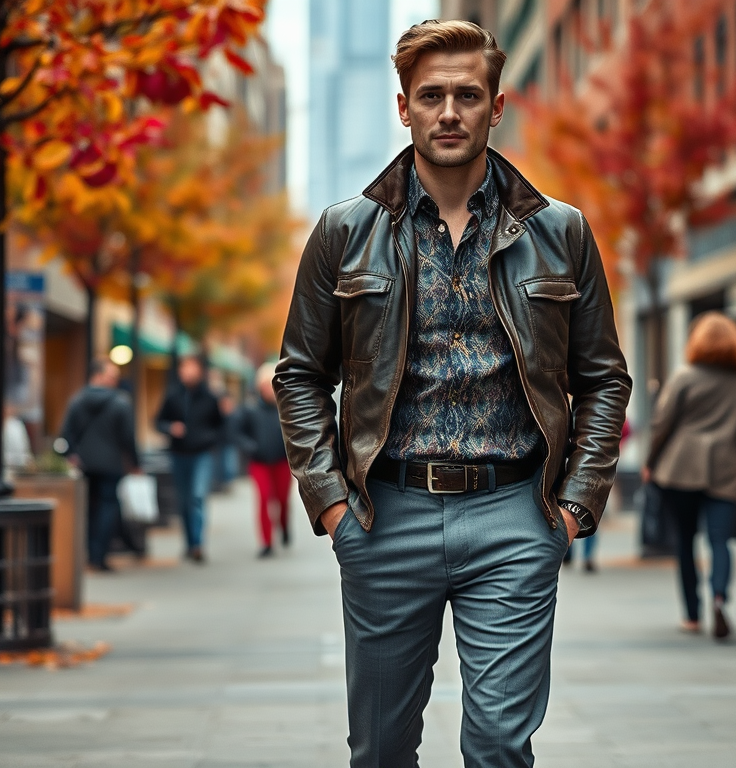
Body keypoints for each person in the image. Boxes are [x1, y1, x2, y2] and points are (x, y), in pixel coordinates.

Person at [274, 20, 631, 768]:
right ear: (402, 107)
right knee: (380, 750)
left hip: (514, 515)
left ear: (496, 107)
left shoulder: (560, 232)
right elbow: (300, 373)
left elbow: (603, 378)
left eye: (467, 95)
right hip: (384, 515)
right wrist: (333, 506)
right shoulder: (346, 231)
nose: (449, 111)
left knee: (501, 745)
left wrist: (571, 509)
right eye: (430, 95)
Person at [642, 312, 736, 640]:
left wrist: (650, 462)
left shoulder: (684, 377)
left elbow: (661, 424)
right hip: (726, 472)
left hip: (681, 469)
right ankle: (720, 598)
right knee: (720, 540)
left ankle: (693, 615)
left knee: (685, 540)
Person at [60, 359, 141, 571]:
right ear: (98, 375)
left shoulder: (77, 400)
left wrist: (72, 454)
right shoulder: (120, 402)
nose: (115, 380)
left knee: (88, 509)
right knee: (107, 507)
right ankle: (99, 555)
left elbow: (67, 433)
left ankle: (89, 552)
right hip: (111, 463)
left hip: (84, 464)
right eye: (112, 376)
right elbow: (128, 437)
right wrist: (135, 462)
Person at [155, 354, 225, 564]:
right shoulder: (173, 395)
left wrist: (208, 439)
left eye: (191, 367)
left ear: (200, 371)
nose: (187, 372)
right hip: (178, 455)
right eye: (184, 368)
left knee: (196, 497)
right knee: (183, 501)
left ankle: (197, 544)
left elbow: (220, 426)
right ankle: (188, 543)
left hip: (201, 454)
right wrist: (170, 428)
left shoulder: (210, 398)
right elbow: (158, 421)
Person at [235, 364, 291, 557]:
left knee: (282, 499)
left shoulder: (286, 408)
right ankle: (266, 541)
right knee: (264, 499)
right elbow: (238, 432)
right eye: (266, 385)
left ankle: (284, 525)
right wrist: (251, 447)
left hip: (282, 461)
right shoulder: (250, 409)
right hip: (259, 462)